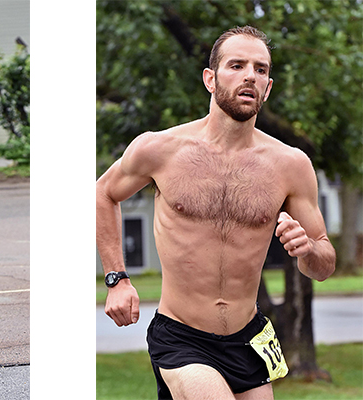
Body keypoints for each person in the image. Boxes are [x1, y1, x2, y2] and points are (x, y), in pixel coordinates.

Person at [95, 26, 335, 400]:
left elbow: (324, 265)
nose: (248, 76)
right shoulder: (161, 149)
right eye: (236, 65)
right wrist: (117, 279)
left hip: (249, 338)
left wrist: (307, 250)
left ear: (267, 87)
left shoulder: (290, 165)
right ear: (210, 78)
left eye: (259, 69)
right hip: (181, 337)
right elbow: (104, 193)